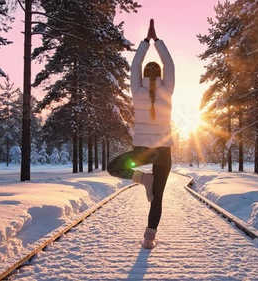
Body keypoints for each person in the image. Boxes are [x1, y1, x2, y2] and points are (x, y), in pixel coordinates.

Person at [107, 19, 175, 249]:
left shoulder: (137, 91)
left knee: (113, 168)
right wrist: (158, 41)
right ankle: (149, 239)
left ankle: (142, 178)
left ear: (144, 75)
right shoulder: (167, 90)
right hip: (163, 153)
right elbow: (170, 64)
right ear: (161, 76)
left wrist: (146, 42)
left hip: (142, 152)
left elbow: (134, 66)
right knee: (157, 198)